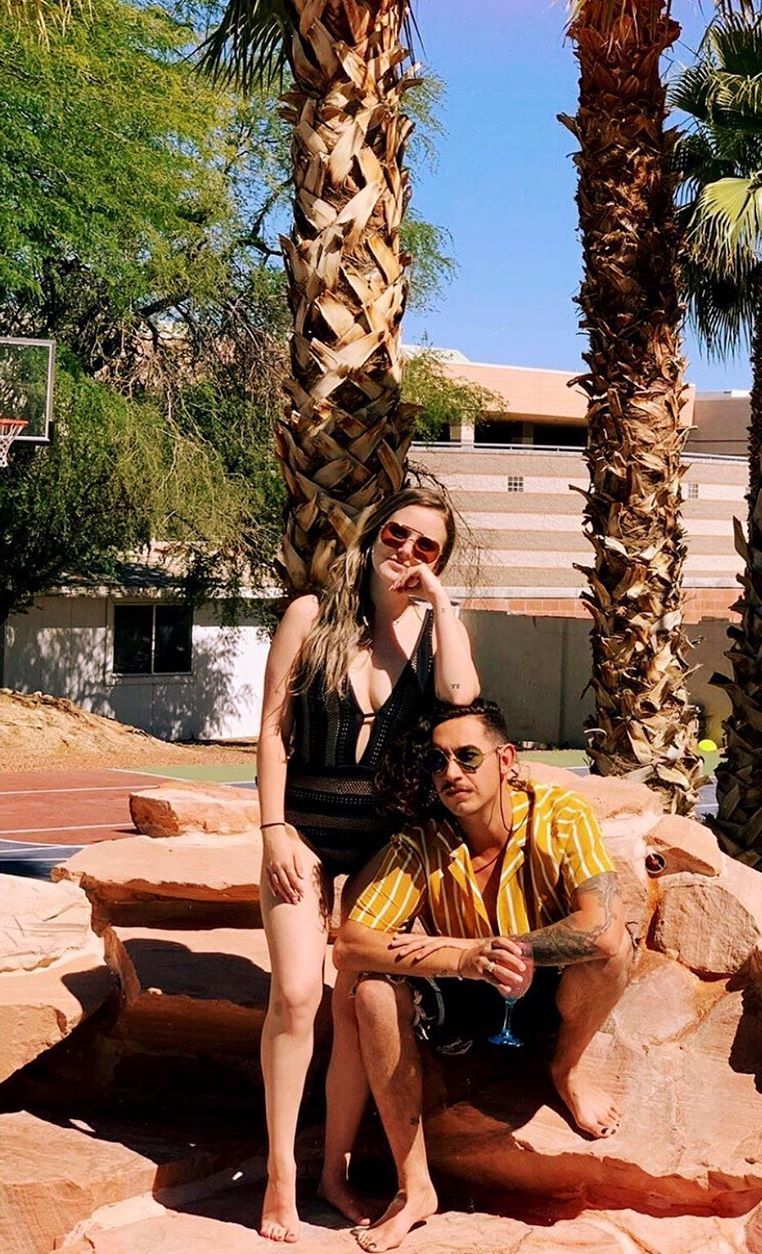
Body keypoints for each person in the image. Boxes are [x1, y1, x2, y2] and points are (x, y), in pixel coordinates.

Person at [255, 487, 480, 1243]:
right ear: (374, 533)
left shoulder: (435, 632)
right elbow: (273, 733)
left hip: (388, 845)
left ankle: (334, 1170)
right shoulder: (311, 616)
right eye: (397, 533)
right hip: (304, 836)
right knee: (296, 995)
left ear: (439, 560)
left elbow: (462, 697)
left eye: (427, 546)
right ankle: (281, 1178)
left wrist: (439, 602)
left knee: (355, 1002)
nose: (406, 551)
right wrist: (274, 830)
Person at [333, 699, 635, 1253]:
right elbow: (351, 944)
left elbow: (600, 928)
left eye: (467, 757)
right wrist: (464, 959)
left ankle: (566, 1069)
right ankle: (415, 1188)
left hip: (549, 988)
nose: (451, 773)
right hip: (467, 997)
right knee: (372, 991)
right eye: (437, 762)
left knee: (615, 952)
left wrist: (496, 950)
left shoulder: (560, 814)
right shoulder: (424, 842)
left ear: (506, 759)